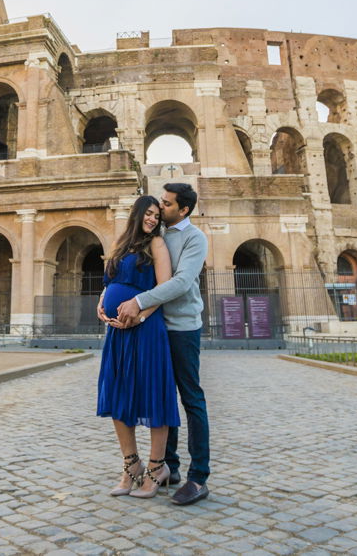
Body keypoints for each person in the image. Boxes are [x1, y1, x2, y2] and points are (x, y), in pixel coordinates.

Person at [113, 182, 210, 506]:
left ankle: (199, 476)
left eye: (167, 205)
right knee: (161, 397)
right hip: (151, 328)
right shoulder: (158, 233)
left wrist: (137, 302)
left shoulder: (194, 238)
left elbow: (181, 283)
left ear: (183, 209)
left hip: (181, 327)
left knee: (191, 398)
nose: (161, 208)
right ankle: (167, 466)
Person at [95, 195, 180, 498]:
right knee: (118, 394)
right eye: (149, 214)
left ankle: (158, 468)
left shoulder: (156, 245)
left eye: (157, 216)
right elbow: (108, 282)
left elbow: (163, 289)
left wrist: (140, 317)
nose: (153, 219)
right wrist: (101, 303)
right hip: (118, 331)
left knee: (153, 394)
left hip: (145, 331)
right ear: (137, 213)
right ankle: (131, 465)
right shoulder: (122, 244)